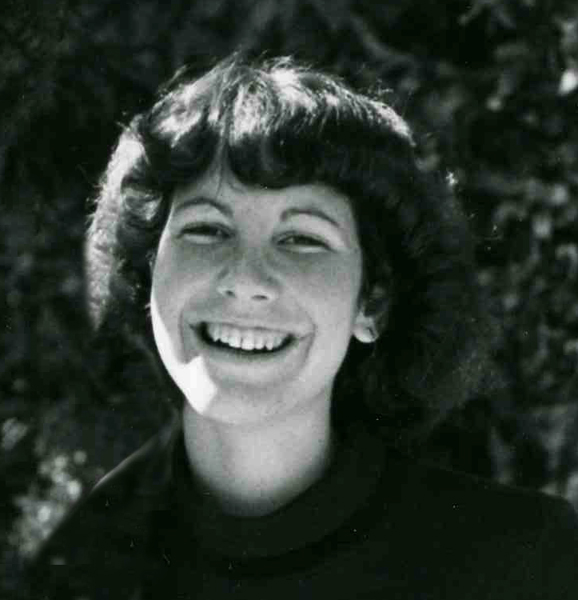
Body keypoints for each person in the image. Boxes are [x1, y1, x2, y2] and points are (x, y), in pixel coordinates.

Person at [28, 54, 578, 599]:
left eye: (301, 239)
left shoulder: (526, 564)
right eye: (207, 230)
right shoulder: (73, 574)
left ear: (373, 302)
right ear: (150, 272)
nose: (245, 280)